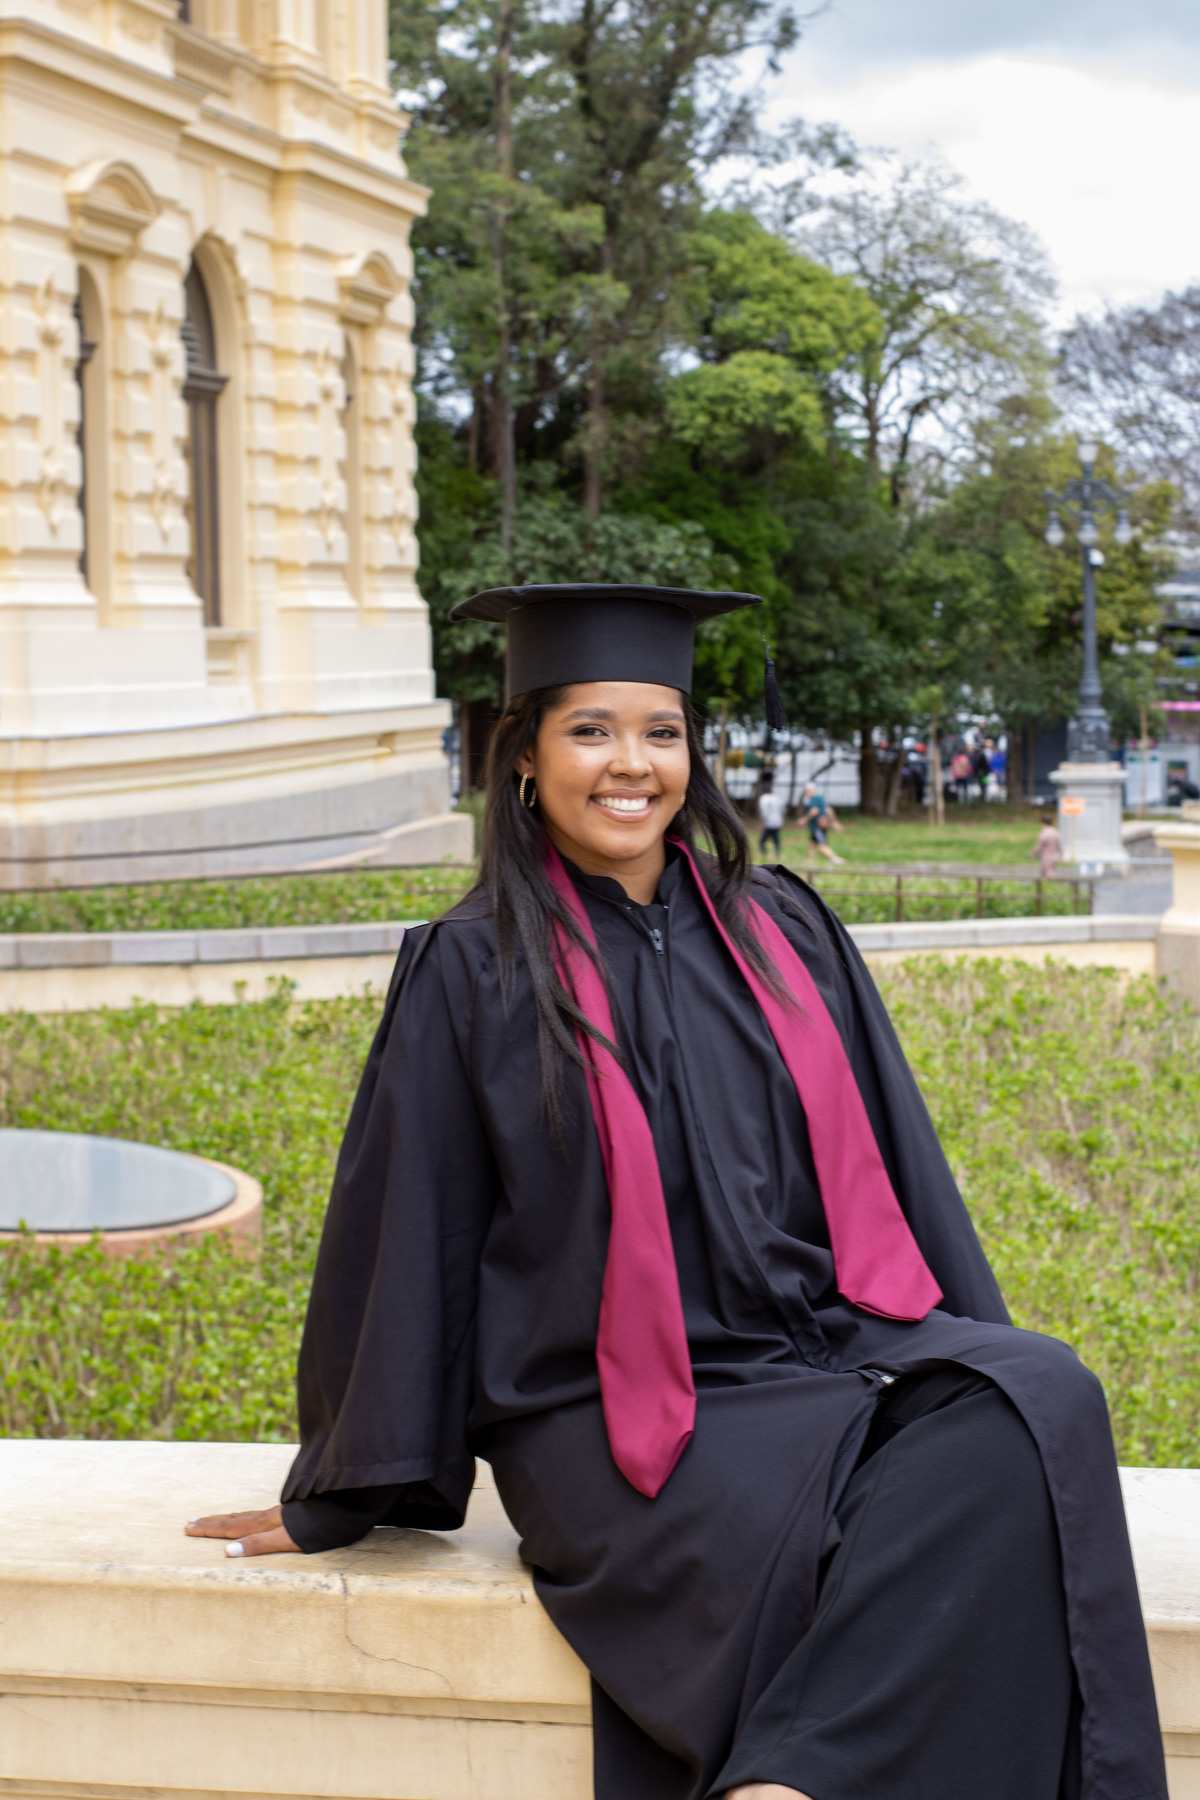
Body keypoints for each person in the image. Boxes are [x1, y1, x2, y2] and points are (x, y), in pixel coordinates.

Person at [187, 583, 1165, 1800]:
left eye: (661, 732)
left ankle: (786, 1785)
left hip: (815, 1352)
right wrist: (349, 1483)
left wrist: (966, 1357)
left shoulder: (783, 932)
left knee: (1039, 1394)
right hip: (610, 1415)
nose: (631, 765)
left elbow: (901, 1165)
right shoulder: (475, 967)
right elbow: (411, 1225)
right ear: (526, 756)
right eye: (591, 731)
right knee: (876, 1502)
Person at [800, 782, 844, 866]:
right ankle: (810, 862)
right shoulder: (821, 797)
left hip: (817, 826)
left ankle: (837, 860)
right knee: (811, 843)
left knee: (821, 845)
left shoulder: (814, 798)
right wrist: (834, 822)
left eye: (805, 791)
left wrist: (804, 819)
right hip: (821, 824)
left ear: (809, 790)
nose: (805, 793)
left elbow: (814, 811)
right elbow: (829, 810)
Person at [757, 777, 786, 858]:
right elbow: (783, 810)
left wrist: (762, 823)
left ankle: (764, 853)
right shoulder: (777, 797)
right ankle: (777, 852)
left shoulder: (763, 798)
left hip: (769, 822)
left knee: (763, 840)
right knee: (775, 837)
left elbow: (764, 812)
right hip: (778, 821)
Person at [1035, 813, 1062, 879]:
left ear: (1043, 823)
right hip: (1054, 856)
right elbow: (1059, 845)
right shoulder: (1055, 832)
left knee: (1048, 874)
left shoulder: (1044, 833)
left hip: (1046, 856)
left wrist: (1034, 854)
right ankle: (1042, 884)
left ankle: (1051, 884)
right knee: (1044, 872)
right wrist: (1061, 855)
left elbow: (1039, 846)